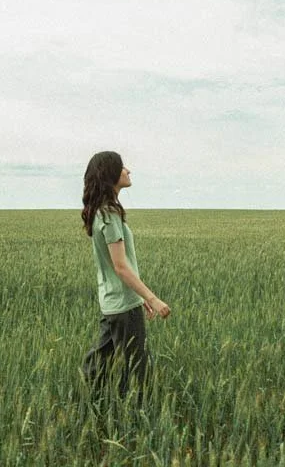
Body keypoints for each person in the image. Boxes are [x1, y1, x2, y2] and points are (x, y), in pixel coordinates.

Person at [80, 151, 170, 404]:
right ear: (111, 175)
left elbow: (116, 266)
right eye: (121, 167)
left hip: (113, 302)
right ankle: (133, 417)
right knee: (136, 371)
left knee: (99, 362)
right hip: (122, 306)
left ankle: (93, 404)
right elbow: (120, 266)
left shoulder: (101, 212)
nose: (128, 170)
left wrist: (139, 299)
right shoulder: (109, 214)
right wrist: (152, 299)